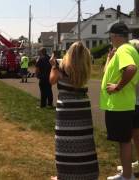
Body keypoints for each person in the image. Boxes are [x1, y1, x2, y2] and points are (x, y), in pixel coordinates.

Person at [49, 41, 99, 180]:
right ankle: (86, 174)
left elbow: (52, 80)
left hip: (66, 108)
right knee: (84, 140)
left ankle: (64, 175)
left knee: (65, 141)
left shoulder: (62, 66)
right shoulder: (85, 67)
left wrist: (53, 66)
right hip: (83, 107)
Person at [100, 22, 139, 180]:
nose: (110, 39)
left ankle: (127, 177)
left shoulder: (123, 50)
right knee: (126, 141)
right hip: (126, 103)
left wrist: (117, 87)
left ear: (115, 36)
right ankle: (127, 174)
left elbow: (131, 68)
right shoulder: (129, 49)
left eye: (111, 36)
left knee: (124, 142)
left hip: (120, 105)